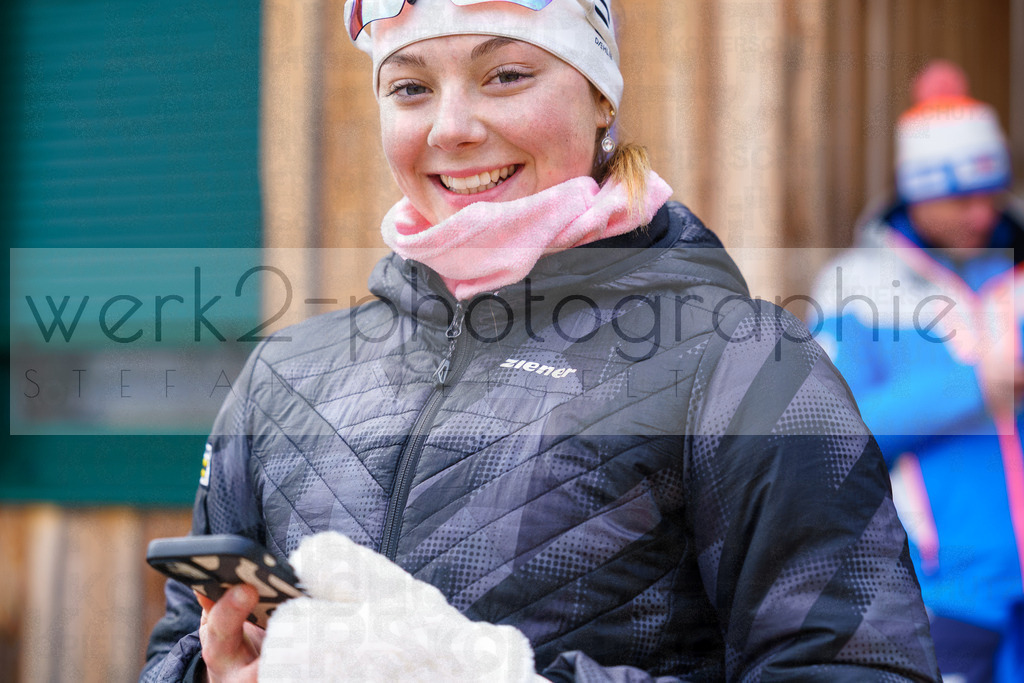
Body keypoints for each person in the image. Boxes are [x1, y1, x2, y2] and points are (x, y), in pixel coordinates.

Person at [142, 1, 940, 680]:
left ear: (600, 98)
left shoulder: (742, 364)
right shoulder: (288, 377)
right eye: (411, 87)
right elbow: (176, 647)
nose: (452, 128)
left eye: (507, 76)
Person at [809, 60, 1022, 683]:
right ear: (917, 191)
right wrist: (980, 385)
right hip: (940, 593)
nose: (980, 214)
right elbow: (838, 433)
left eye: (992, 192)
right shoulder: (856, 287)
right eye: (959, 197)